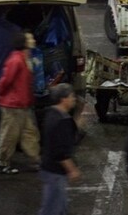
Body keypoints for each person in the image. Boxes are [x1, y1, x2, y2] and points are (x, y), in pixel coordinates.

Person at [0, 32, 41, 175]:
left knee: (30, 134)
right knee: (10, 135)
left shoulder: (25, 57)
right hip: (12, 106)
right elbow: (5, 81)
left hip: (23, 104)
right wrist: (1, 95)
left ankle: (36, 161)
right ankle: (3, 164)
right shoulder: (16, 60)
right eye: (30, 38)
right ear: (24, 43)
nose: (33, 40)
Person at [39, 84, 80, 215]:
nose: (74, 99)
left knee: (59, 208)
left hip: (48, 168)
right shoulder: (62, 120)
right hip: (55, 173)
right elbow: (61, 151)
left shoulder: (51, 114)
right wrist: (72, 169)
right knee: (52, 209)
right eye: (72, 96)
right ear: (64, 99)